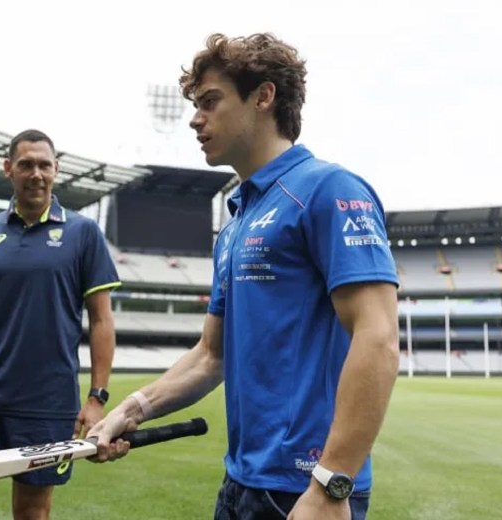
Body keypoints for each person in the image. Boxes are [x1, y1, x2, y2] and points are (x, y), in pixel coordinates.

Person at [87, 33, 400, 520]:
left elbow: (377, 337)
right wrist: (130, 409)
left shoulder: (327, 188)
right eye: (195, 104)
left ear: (263, 96)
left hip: (307, 489)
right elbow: (211, 355)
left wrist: (331, 484)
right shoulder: (234, 223)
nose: (195, 117)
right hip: (241, 483)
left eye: (210, 101)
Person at [0, 129, 120, 520]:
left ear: (57, 170)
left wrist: (97, 397)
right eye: (26, 164)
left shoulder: (83, 233)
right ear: (8, 169)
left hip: (47, 401)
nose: (36, 174)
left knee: (32, 513)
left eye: (44, 165)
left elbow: (100, 319)